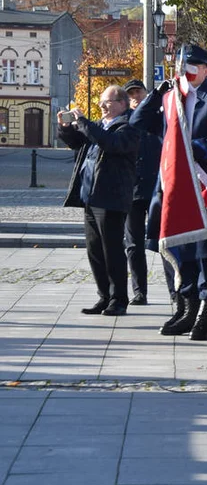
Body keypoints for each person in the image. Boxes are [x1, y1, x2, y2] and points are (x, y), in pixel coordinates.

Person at [131, 44, 207, 341]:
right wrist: (156, 93)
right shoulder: (170, 99)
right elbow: (137, 122)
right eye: (182, 66)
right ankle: (187, 308)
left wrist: (186, 149)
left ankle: (205, 311)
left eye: (191, 66)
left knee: (206, 252)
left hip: (204, 185)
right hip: (176, 187)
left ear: (205, 69)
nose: (185, 71)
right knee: (182, 248)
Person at [58, 85, 140, 316]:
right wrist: (65, 129)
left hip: (111, 197)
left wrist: (85, 122)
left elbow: (111, 144)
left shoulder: (128, 127)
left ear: (122, 104)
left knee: (112, 251)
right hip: (91, 197)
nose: (102, 106)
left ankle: (119, 299)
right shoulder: (100, 126)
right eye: (102, 101)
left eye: (108, 102)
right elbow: (78, 142)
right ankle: (104, 296)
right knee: (94, 251)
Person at [122, 79, 161, 306]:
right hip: (132, 191)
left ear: (147, 94)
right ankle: (139, 292)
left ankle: (177, 292)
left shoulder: (159, 117)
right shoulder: (125, 122)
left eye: (139, 92)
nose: (135, 97)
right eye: (131, 94)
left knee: (164, 242)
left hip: (158, 189)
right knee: (133, 244)